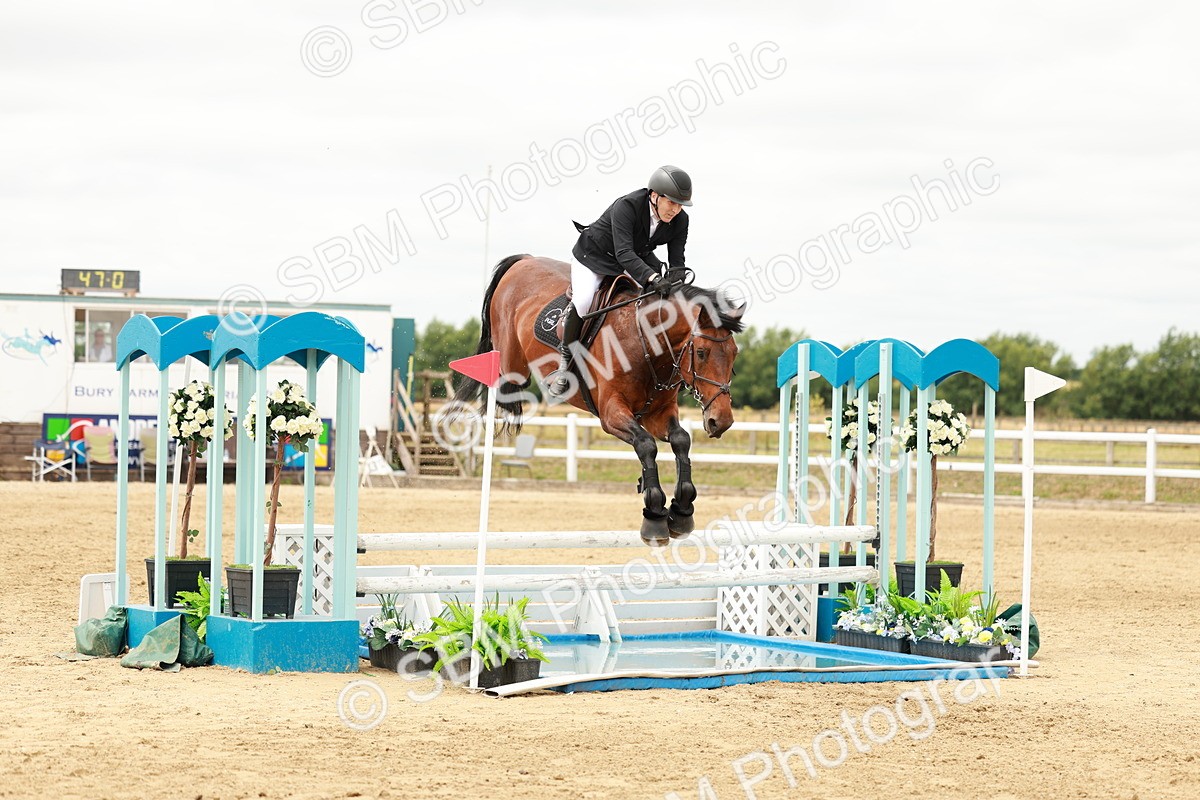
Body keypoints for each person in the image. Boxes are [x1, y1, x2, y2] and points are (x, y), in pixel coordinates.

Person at [549, 165, 693, 397]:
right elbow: (624, 253)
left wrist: (676, 284)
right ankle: (565, 363)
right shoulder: (627, 206)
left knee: (659, 301)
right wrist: (653, 277)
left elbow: (677, 260)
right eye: (672, 203)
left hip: (635, 256)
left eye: (680, 205)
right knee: (585, 300)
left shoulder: (681, 220)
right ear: (654, 196)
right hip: (594, 256)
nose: (675, 210)